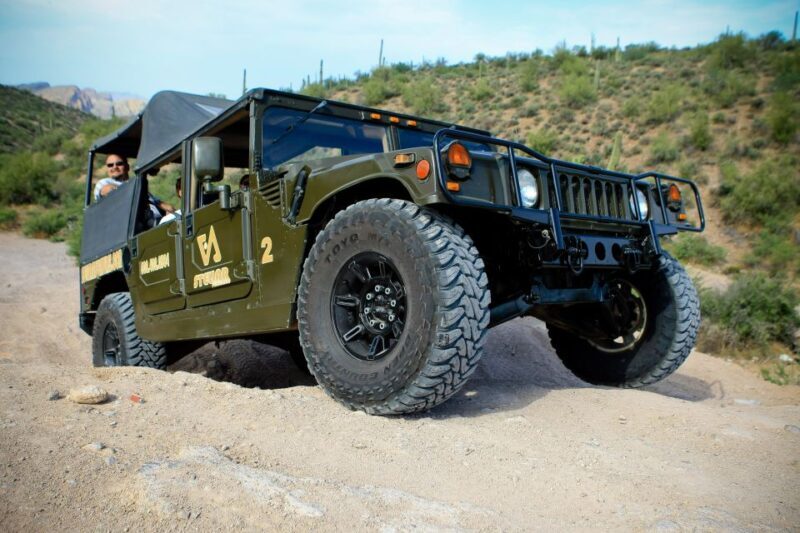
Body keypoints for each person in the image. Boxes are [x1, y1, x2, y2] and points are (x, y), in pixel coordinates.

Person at [94, 155, 174, 222]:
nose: (115, 167)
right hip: (132, 225)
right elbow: (108, 191)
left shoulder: (137, 186)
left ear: (127, 167)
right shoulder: (104, 182)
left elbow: (161, 204)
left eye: (119, 164)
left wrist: (170, 211)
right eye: (110, 165)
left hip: (156, 222)